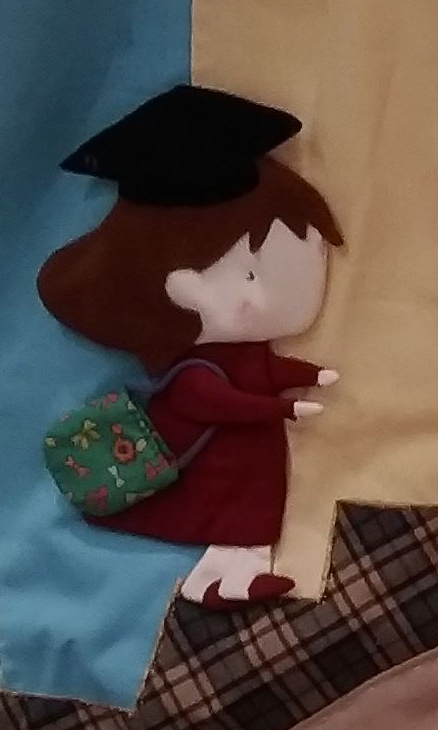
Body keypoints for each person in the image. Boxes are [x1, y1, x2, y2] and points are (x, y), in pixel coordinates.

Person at [33, 85, 340, 604]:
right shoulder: (194, 368)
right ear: (181, 285)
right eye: (246, 273)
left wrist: (306, 376)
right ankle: (219, 578)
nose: (258, 298)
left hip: (249, 460)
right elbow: (214, 401)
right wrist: (279, 408)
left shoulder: (242, 352)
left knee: (250, 513)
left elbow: (262, 374)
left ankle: (230, 576)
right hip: (216, 464)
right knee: (235, 515)